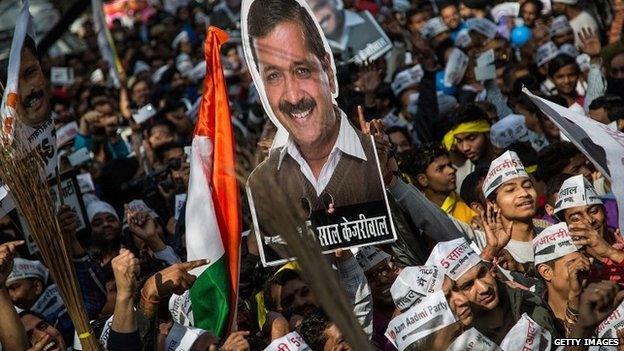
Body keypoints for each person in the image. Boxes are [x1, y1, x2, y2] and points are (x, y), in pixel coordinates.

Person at [245, 0, 388, 256]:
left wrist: (394, 184)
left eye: (301, 70)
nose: (293, 96)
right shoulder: (263, 183)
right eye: (273, 76)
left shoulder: (378, 159)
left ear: (328, 70)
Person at [426, 238, 560, 344]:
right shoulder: (461, 342)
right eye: (468, 286)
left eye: (482, 273)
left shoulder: (527, 302)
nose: (484, 288)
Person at [533, 223, 588, 336]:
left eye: (584, 260)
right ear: (546, 272)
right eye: (572, 265)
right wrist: (574, 299)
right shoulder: (533, 319)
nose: (583, 268)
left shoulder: (605, 301)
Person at [406, 143, 476, 224]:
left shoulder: (471, 214)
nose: (451, 170)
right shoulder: (416, 218)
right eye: (440, 169)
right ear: (423, 180)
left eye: (450, 165)